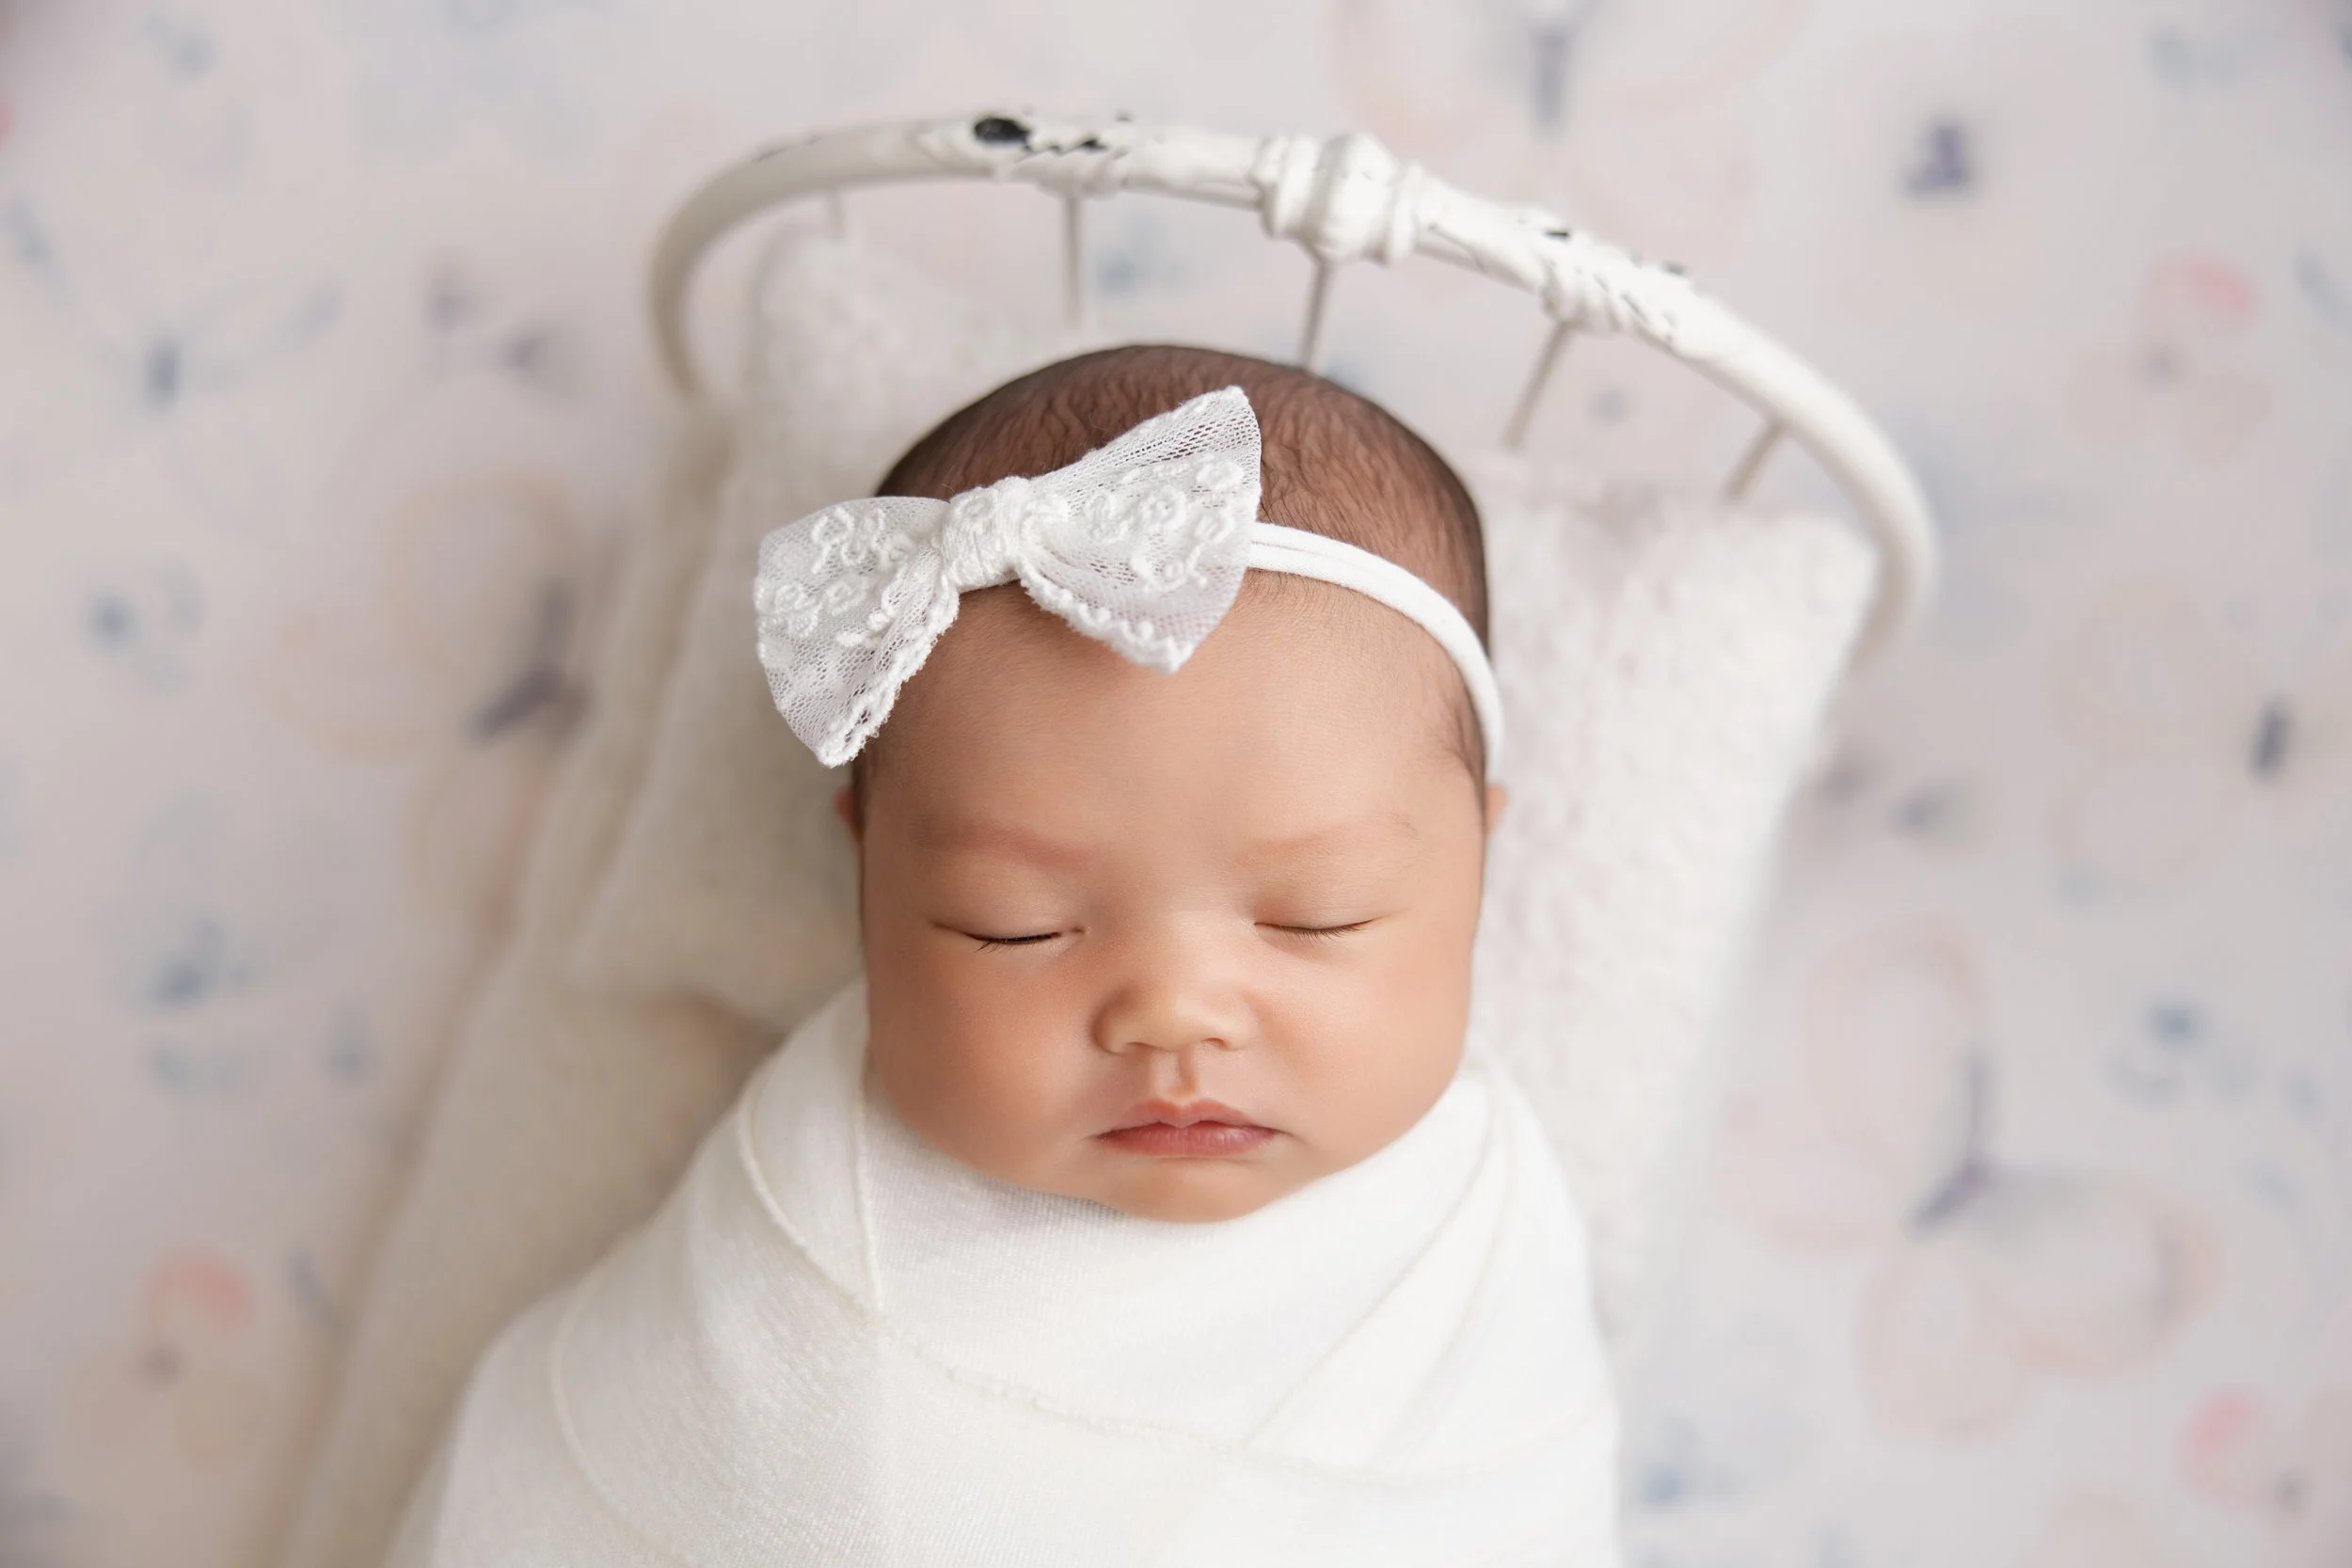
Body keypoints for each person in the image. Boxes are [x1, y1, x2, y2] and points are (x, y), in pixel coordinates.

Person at [389, 345, 1622, 1566]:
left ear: (1477, 864)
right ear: (866, 876)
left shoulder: (1484, 1231)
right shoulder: (811, 1237)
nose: (1174, 1013)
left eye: (1318, 913)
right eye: (1015, 924)